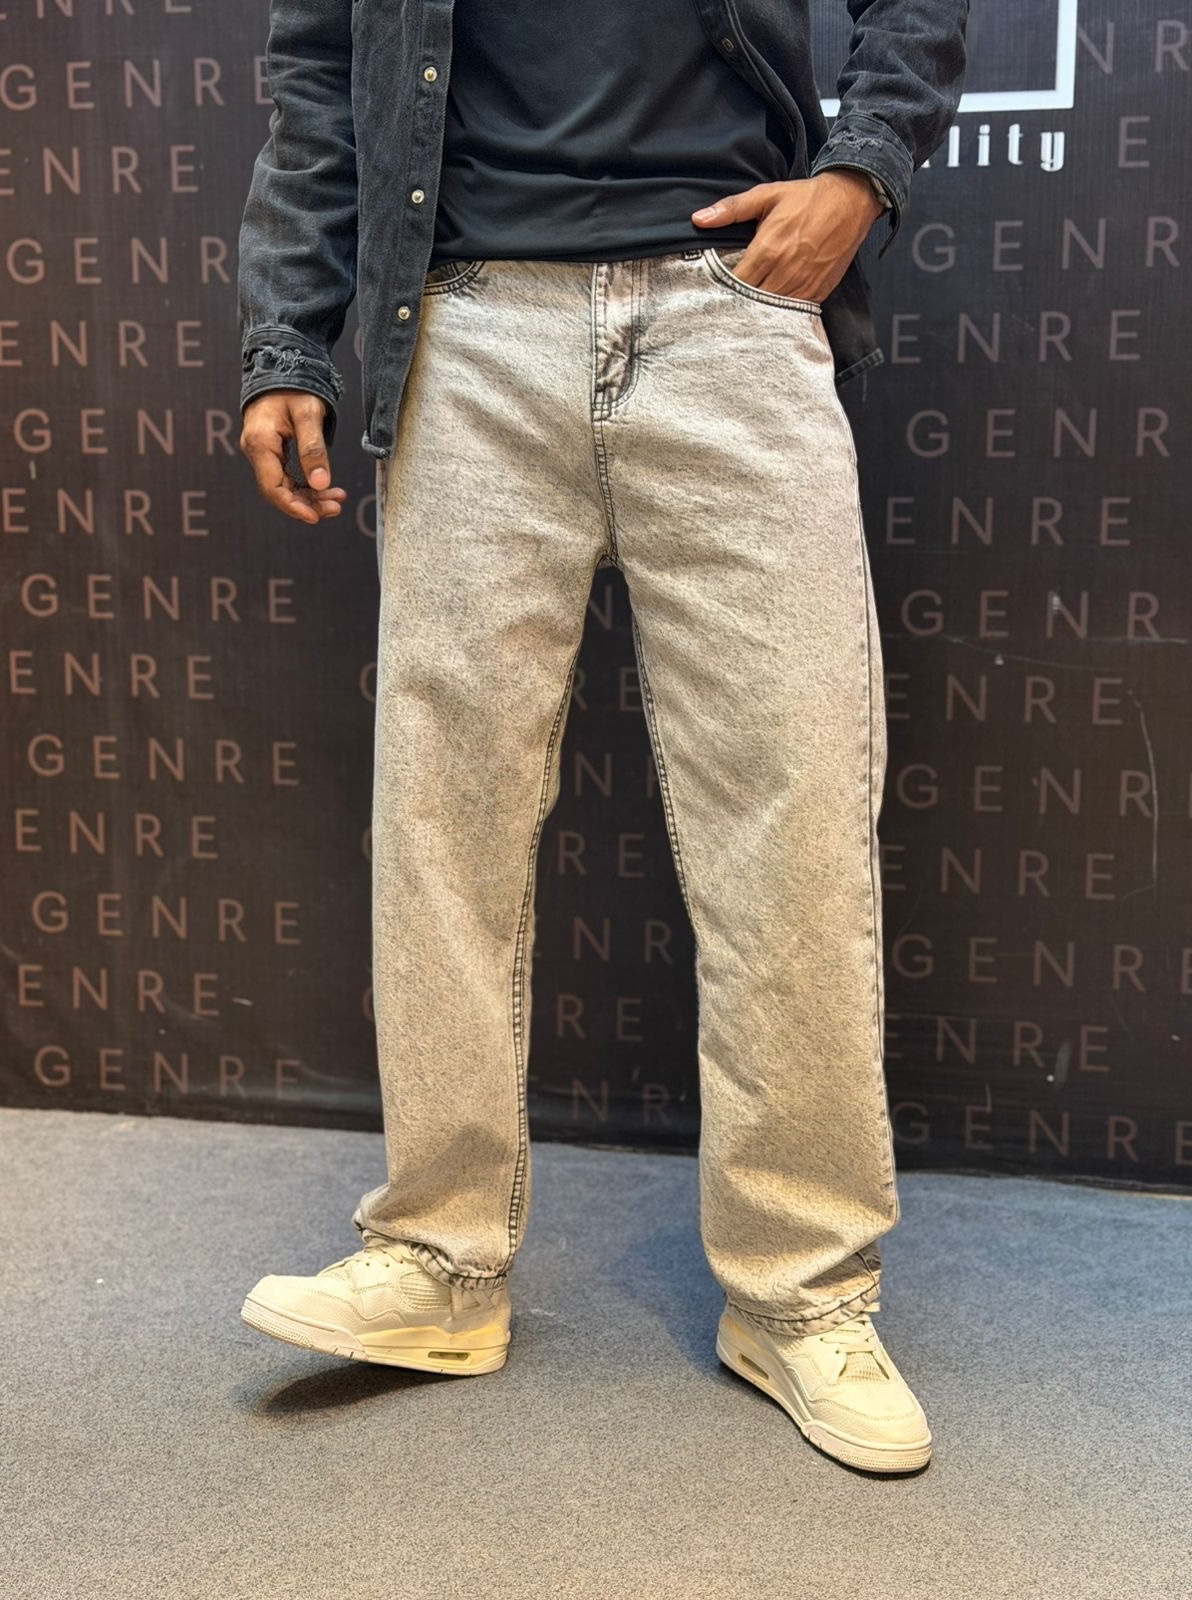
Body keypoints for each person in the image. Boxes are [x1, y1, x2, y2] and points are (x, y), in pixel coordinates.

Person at [235, 0, 969, 1475]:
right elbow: (318, 64)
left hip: (732, 310)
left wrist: (863, 170)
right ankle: (439, 1259)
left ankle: (802, 1290)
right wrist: (287, 336)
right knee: (443, 822)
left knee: (795, 821)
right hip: (465, 323)